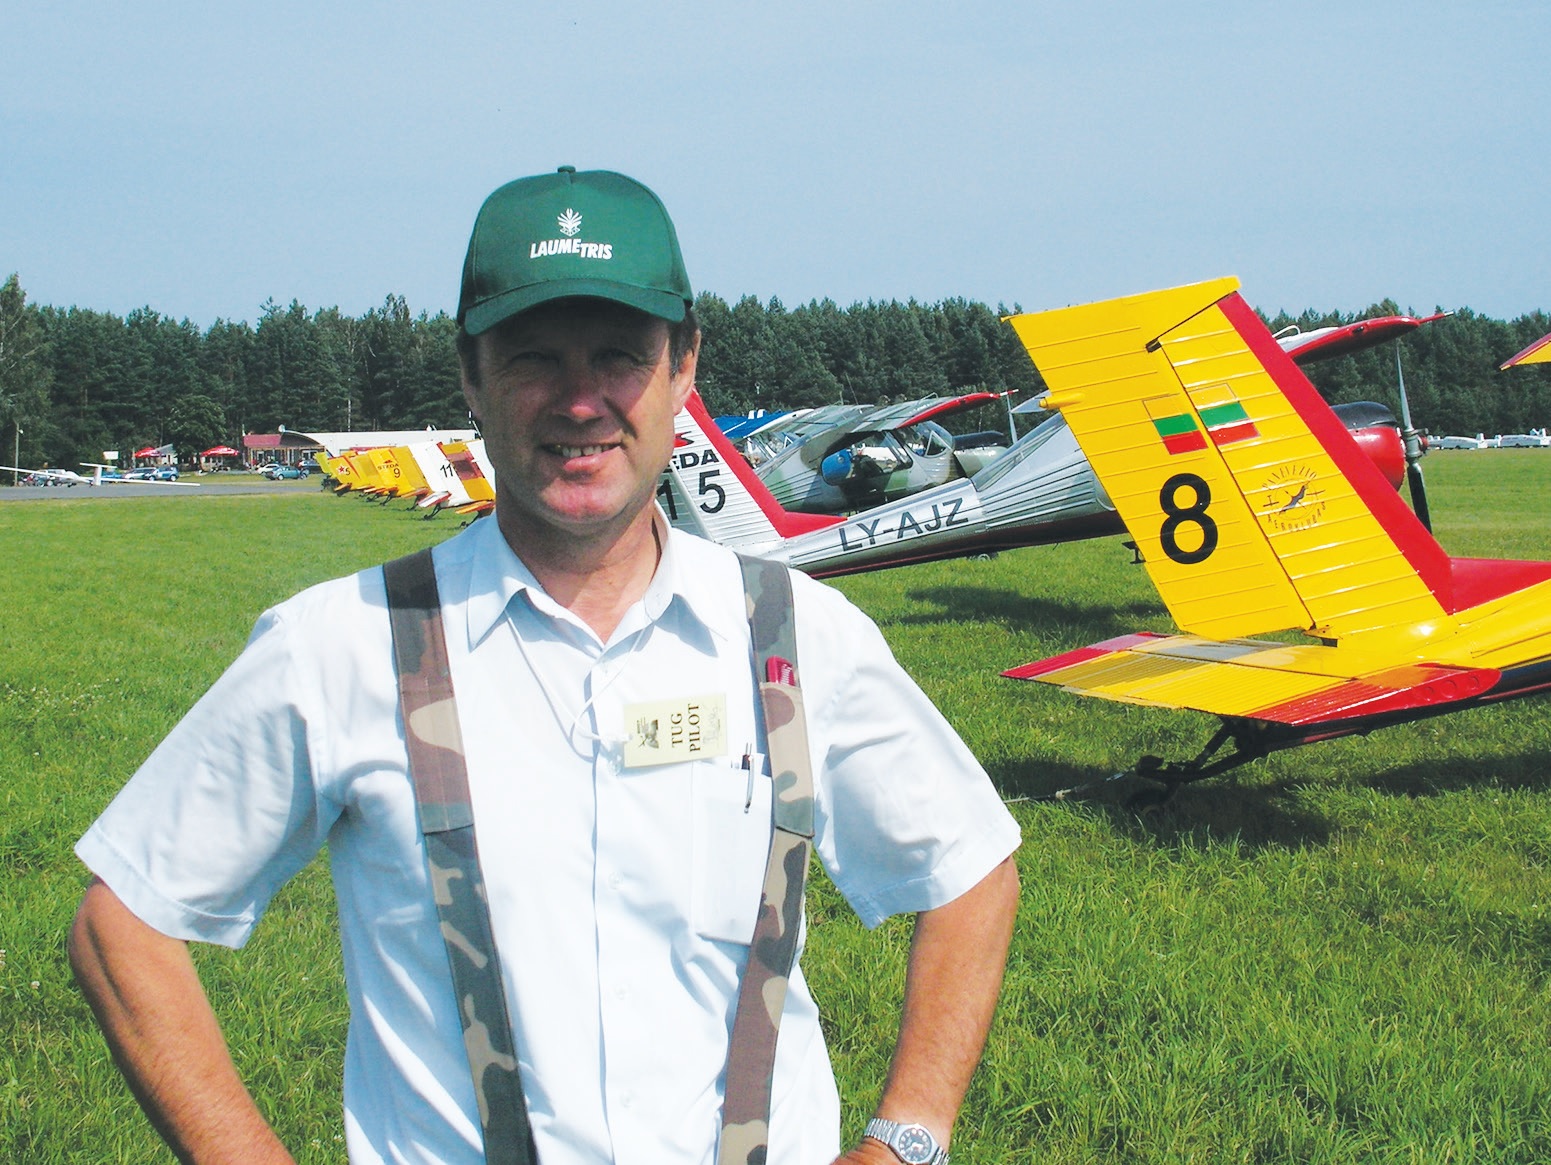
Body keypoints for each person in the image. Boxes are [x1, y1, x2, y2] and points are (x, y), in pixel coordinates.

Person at [68, 166, 1021, 1165]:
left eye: (619, 354)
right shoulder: (344, 643)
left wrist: (904, 1141)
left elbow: (970, 871)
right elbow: (120, 924)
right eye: (532, 359)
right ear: (471, 376)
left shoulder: (792, 635)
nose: (581, 401)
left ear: (684, 364)